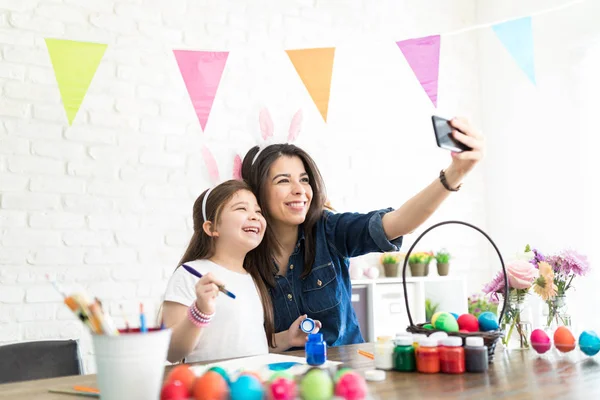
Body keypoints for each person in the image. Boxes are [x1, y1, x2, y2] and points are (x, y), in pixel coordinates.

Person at [242, 117, 484, 349]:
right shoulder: (243, 251)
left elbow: (399, 222)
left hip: (346, 372)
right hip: (279, 379)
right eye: (283, 181)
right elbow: (239, 340)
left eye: (304, 180)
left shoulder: (329, 230)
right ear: (258, 192)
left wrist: (455, 173)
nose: (300, 190)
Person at [161, 180, 319, 363]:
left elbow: (248, 345)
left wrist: (287, 338)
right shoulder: (190, 273)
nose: (254, 216)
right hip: (212, 387)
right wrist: (200, 311)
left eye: (258, 211)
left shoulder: (253, 278)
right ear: (211, 228)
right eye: (241, 209)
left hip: (251, 384)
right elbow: (172, 353)